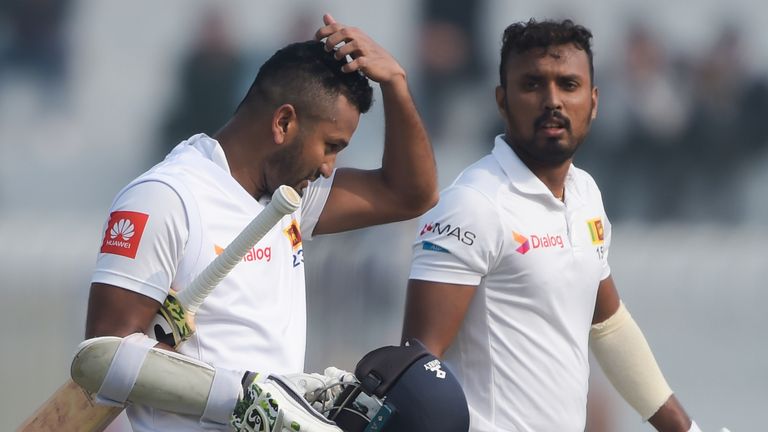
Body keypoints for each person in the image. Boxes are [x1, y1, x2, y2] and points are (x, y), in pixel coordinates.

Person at [83, 14, 437, 432]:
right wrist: (246, 399)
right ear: (283, 122)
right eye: (330, 146)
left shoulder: (290, 198)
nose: (329, 167)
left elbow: (411, 194)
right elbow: (104, 358)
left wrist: (395, 81)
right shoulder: (166, 196)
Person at [402, 19, 711, 432]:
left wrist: (686, 429)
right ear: (502, 100)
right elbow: (415, 368)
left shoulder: (586, 195)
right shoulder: (473, 204)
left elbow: (609, 327)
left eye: (568, 84)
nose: (552, 101)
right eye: (532, 84)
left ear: (594, 101)